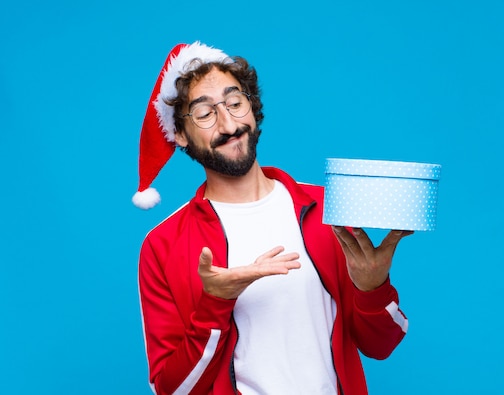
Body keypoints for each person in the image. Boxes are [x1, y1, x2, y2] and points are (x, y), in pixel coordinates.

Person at [134, 41, 413, 395]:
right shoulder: (162, 246)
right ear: (180, 135)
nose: (228, 123)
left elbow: (380, 346)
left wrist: (372, 288)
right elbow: (171, 389)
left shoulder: (329, 209)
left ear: (252, 108)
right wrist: (216, 303)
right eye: (204, 113)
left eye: (235, 103)